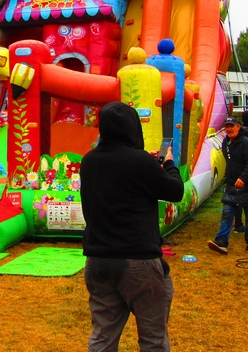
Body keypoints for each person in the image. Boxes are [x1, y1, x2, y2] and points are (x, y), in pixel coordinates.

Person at [80, 101, 185, 352]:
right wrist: (168, 163)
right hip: (137, 260)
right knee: (153, 340)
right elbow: (176, 191)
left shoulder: (89, 160)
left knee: (102, 337)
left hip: (98, 259)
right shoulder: (140, 162)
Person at [208, 116, 248, 254]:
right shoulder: (225, 142)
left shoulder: (246, 143)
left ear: (238, 127)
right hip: (231, 184)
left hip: (247, 185)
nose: (229, 129)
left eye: (232, 126)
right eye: (227, 126)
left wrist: (243, 177)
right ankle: (221, 241)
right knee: (227, 212)